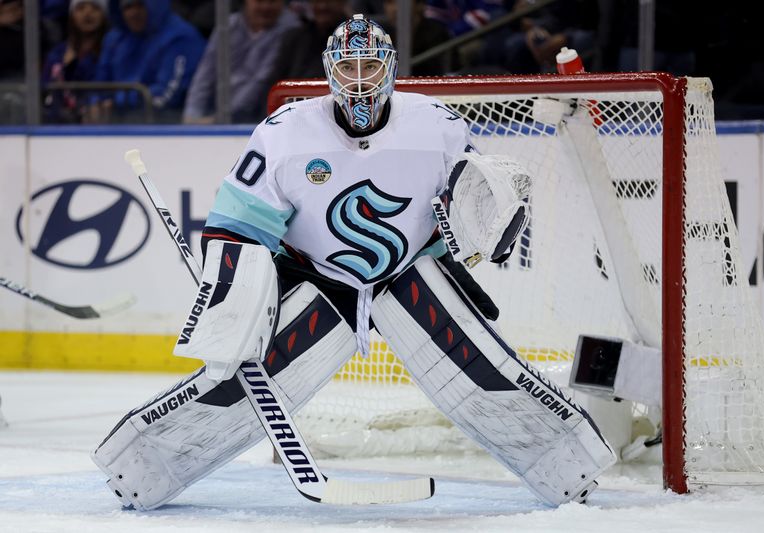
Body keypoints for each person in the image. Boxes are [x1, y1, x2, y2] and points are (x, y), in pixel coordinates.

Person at [92, 14, 615, 511]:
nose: (359, 81)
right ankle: (139, 468)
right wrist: (233, 296)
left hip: (409, 269)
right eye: (348, 68)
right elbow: (236, 222)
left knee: (482, 370)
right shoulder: (285, 132)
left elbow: (475, 202)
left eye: (370, 67)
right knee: (238, 382)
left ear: (390, 67)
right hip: (318, 275)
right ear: (329, 71)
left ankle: (569, 465)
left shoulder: (439, 127)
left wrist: (486, 230)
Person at [183, 0, 300, 124]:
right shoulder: (228, 25)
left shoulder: (291, 29)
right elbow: (205, 75)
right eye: (259, 2)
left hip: (261, 119)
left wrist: (222, 119)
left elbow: (260, 82)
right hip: (218, 115)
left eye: (272, 2)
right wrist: (192, 115)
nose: (266, 7)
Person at [88, 0, 205, 123]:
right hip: (115, 122)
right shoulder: (114, 39)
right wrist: (95, 103)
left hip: (165, 125)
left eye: (139, 5)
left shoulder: (181, 38)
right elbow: (100, 85)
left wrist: (116, 102)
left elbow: (167, 96)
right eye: (128, 7)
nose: (133, 13)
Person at [42, 0, 109, 123]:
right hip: (57, 125)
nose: (87, 13)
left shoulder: (110, 51)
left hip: (97, 121)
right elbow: (44, 89)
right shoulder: (57, 54)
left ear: (104, 15)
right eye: (81, 8)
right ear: (72, 15)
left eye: (95, 8)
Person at [272, 0, 348, 80]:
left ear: (342, 3)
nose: (322, 6)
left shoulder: (355, 38)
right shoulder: (294, 37)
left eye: (329, 1)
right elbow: (274, 79)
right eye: (317, 1)